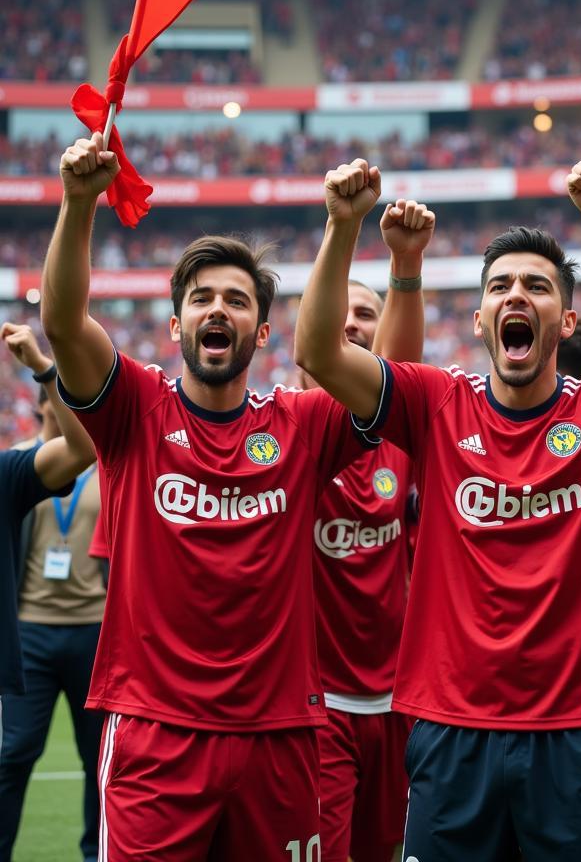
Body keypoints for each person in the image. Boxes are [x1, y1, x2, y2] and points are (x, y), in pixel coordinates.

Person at [293, 134, 581, 860]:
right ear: (481, 320)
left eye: (538, 286)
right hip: (452, 736)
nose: (517, 295)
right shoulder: (435, 402)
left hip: (577, 734)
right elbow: (319, 353)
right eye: (500, 286)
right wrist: (342, 225)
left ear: (566, 322)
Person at [40, 132, 374, 861]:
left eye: (234, 299)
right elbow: (64, 324)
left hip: (281, 737)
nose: (215, 310)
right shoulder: (134, 408)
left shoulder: (302, 424)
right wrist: (77, 204)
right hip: (156, 734)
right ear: (175, 325)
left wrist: (343, 230)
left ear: (260, 329)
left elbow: (388, 381)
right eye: (200, 299)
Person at [304, 200, 433, 862]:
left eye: (366, 315)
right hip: (314, 704)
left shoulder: (400, 443)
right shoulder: (283, 438)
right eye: (341, 312)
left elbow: (397, 377)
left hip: (399, 700)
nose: (350, 324)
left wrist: (404, 266)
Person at [0, 329, 104, 862]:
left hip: (93, 627)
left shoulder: (101, 470)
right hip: (31, 629)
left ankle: (95, 853)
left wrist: (43, 363)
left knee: (97, 760)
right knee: (14, 753)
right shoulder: (16, 463)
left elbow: (81, 443)